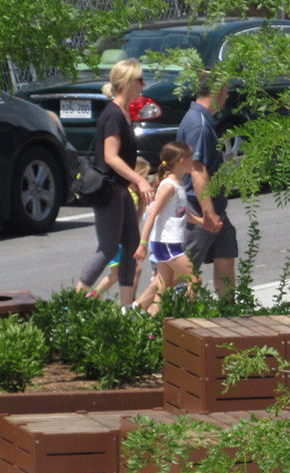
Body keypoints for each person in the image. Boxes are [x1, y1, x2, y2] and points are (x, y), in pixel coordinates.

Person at [75, 58, 154, 306]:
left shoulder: (122, 113)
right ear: (129, 82)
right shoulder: (113, 115)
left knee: (131, 246)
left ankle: (126, 310)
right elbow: (110, 157)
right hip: (109, 191)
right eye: (140, 79)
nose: (144, 84)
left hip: (119, 190)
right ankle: (72, 304)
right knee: (108, 249)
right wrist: (140, 181)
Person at [133, 142, 206, 316]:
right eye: (190, 159)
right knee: (194, 279)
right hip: (166, 243)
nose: (193, 162)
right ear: (182, 161)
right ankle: (187, 319)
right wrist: (142, 244)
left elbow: (181, 212)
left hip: (169, 243)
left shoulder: (177, 184)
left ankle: (142, 320)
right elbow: (152, 215)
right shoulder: (168, 186)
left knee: (164, 286)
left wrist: (202, 222)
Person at [177, 71, 233, 295]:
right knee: (187, 270)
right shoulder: (199, 125)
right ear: (216, 90)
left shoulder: (202, 120)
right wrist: (207, 214)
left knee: (226, 253)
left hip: (216, 208)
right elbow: (197, 171)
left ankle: (228, 313)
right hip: (198, 206)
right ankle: (172, 316)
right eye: (225, 89)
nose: (228, 95)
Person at [90, 157, 153, 300]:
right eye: (143, 176)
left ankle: (92, 297)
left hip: (119, 238)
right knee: (132, 270)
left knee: (116, 275)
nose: (146, 180)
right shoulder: (129, 195)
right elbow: (131, 222)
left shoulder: (131, 194)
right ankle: (130, 301)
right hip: (120, 240)